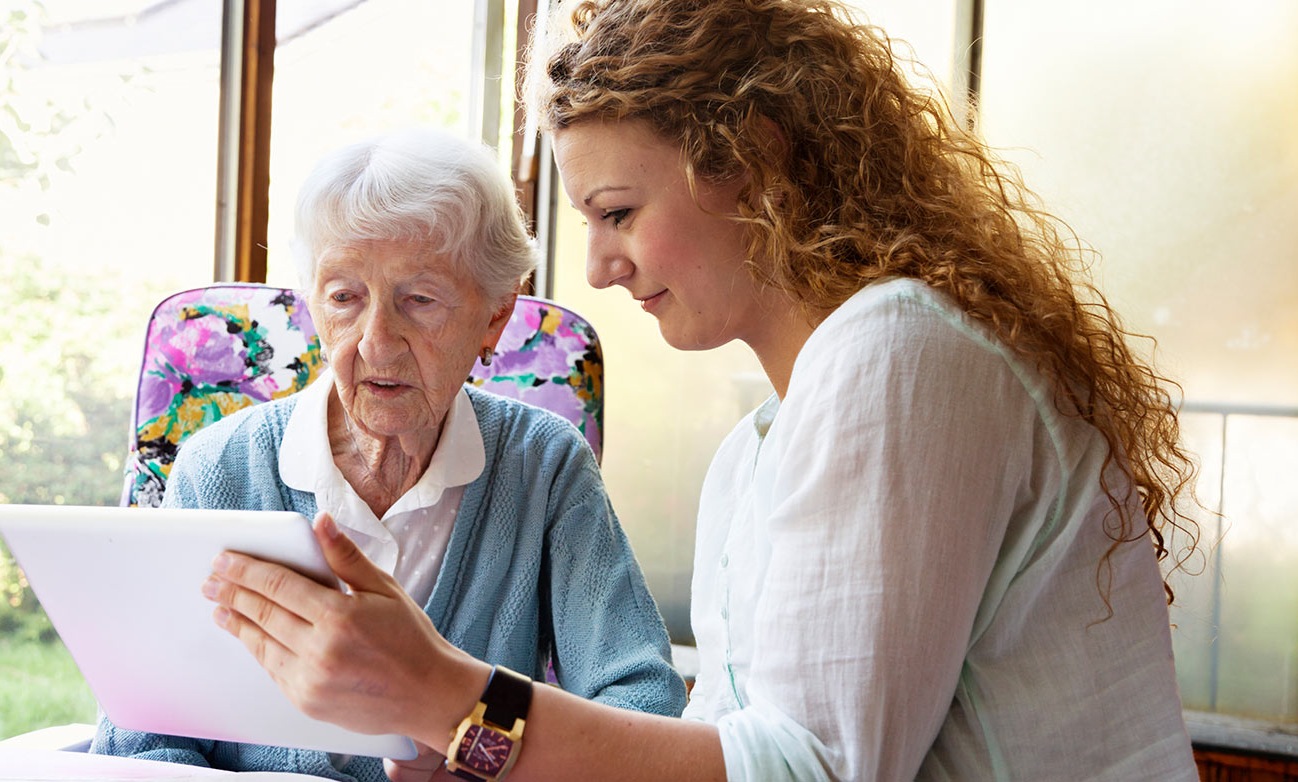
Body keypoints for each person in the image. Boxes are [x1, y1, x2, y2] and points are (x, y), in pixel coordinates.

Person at [197, 2, 1204, 780]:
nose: (598, 269)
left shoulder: (898, 353)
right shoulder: (753, 457)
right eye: (343, 295)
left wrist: (449, 697)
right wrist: (460, 731)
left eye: (618, 211)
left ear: (751, 160)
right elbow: (724, 752)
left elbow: (815, 770)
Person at [89, 129, 688, 781]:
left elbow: (642, 704)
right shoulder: (218, 470)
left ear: (495, 315)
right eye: (344, 298)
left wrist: (477, 751)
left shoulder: (543, 466)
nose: (376, 343)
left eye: (420, 300)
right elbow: (142, 737)